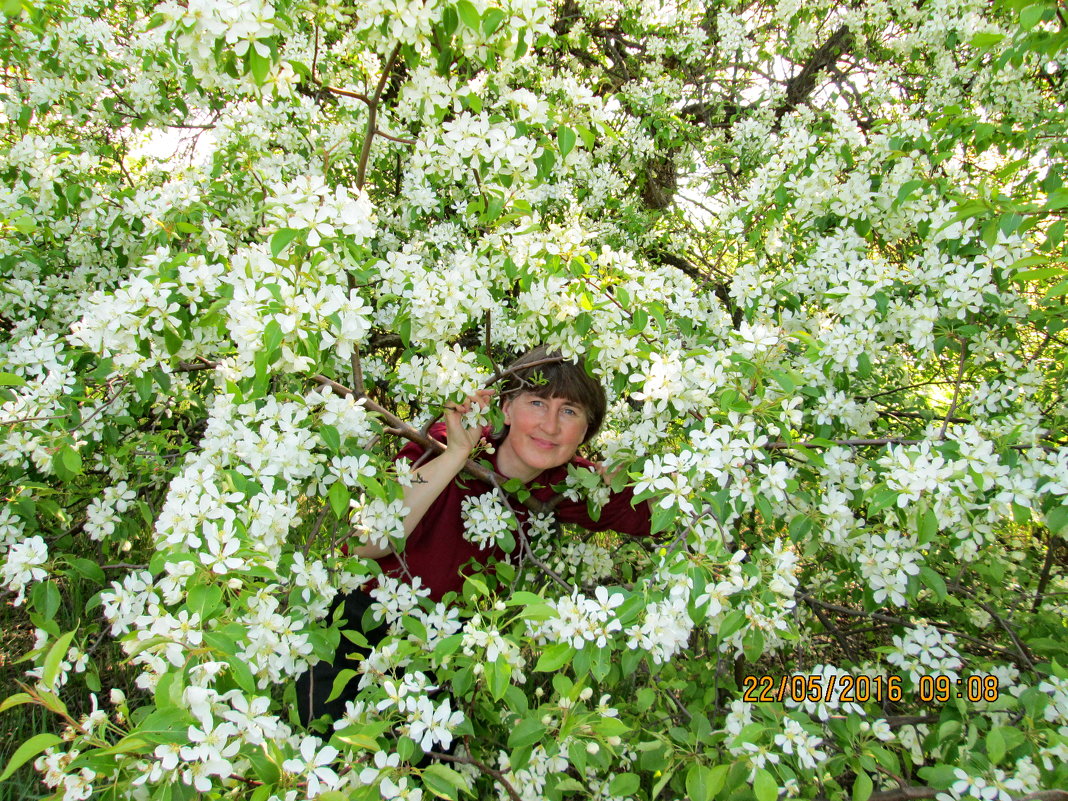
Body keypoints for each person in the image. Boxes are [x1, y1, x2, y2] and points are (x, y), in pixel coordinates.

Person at [297, 347, 651, 725]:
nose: (550, 426)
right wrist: (455, 456)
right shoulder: (444, 441)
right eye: (536, 403)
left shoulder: (572, 484)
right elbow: (365, 543)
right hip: (357, 628)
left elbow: (664, 519)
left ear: (586, 430)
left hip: (446, 651)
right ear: (506, 408)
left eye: (569, 411)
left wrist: (634, 478)